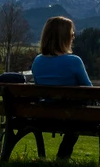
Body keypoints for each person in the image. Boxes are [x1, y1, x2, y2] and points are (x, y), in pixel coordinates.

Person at [30, 16, 93, 158]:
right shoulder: (74, 61)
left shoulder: (38, 61)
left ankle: (63, 156)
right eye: (71, 34)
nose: (73, 37)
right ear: (64, 38)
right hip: (71, 116)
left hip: (46, 114)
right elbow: (90, 91)